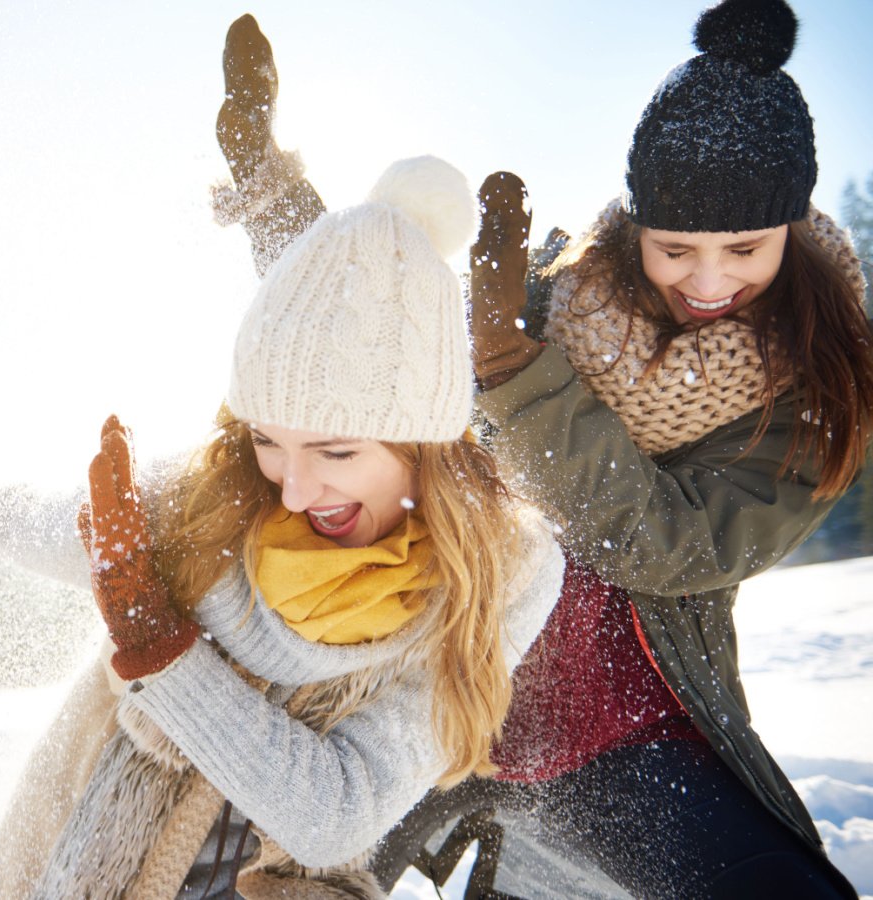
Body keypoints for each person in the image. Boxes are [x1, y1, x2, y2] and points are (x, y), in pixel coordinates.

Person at [212, 5, 868, 896]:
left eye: (745, 249)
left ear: (791, 230)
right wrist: (265, 178)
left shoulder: (815, 388)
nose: (708, 281)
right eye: (675, 249)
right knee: (261, 875)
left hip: (624, 740)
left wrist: (517, 379)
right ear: (636, 229)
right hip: (435, 711)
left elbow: (672, 548)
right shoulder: (552, 300)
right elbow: (364, 339)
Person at [0, 156, 565, 898]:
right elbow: (35, 520)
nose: (296, 490)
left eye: (336, 450)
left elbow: (338, 813)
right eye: (270, 440)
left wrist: (163, 652)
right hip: (100, 860)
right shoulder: (215, 497)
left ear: (423, 443)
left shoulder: (503, 573)